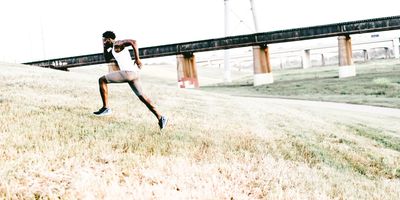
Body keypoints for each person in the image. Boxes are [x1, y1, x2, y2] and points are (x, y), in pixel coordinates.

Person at [94, 31, 168, 130]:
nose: (103, 41)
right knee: (143, 98)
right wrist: (104, 47)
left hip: (128, 73)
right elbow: (107, 60)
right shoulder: (112, 48)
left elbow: (133, 42)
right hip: (134, 74)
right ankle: (161, 117)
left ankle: (106, 108)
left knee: (102, 80)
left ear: (109, 39)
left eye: (104, 40)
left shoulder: (118, 43)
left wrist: (137, 59)